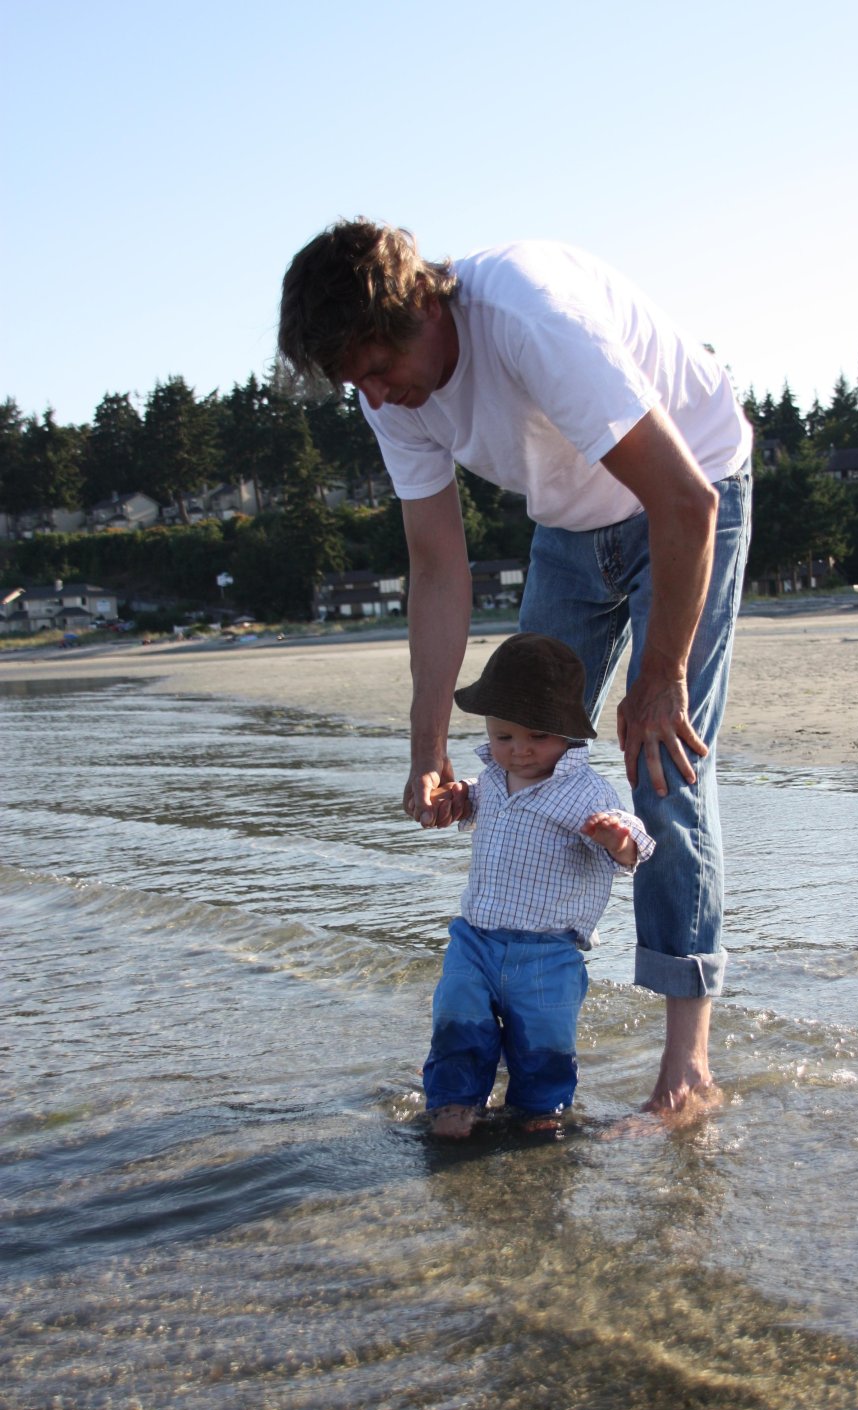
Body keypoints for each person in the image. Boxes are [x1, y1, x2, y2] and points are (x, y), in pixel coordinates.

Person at [278, 219, 753, 1118]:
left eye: (380, 367)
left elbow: (682, 496)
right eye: (356, 383)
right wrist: (429, 749)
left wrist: (660, 678)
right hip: (570, 526)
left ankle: (686, 1068)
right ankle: (521, 1034)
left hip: (694, 490)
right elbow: (436, 565)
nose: (376, 395)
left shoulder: (531, 316)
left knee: (665, 765)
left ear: (422, 301)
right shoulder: (386, 394)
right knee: (518, 756)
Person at [423, 632, 654, 1138]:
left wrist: (616, 839)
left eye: (536, 737)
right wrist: (456, 798)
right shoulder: (493, 780)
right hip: (476, 939)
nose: (520, 750)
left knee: (544, 1041)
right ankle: (455, 1101)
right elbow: (474, 801)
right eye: (504, 737)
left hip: (549, 951)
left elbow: (635, 842)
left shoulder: (584, 790)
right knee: (458, 1018)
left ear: (567, 733)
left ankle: (540, 1111)